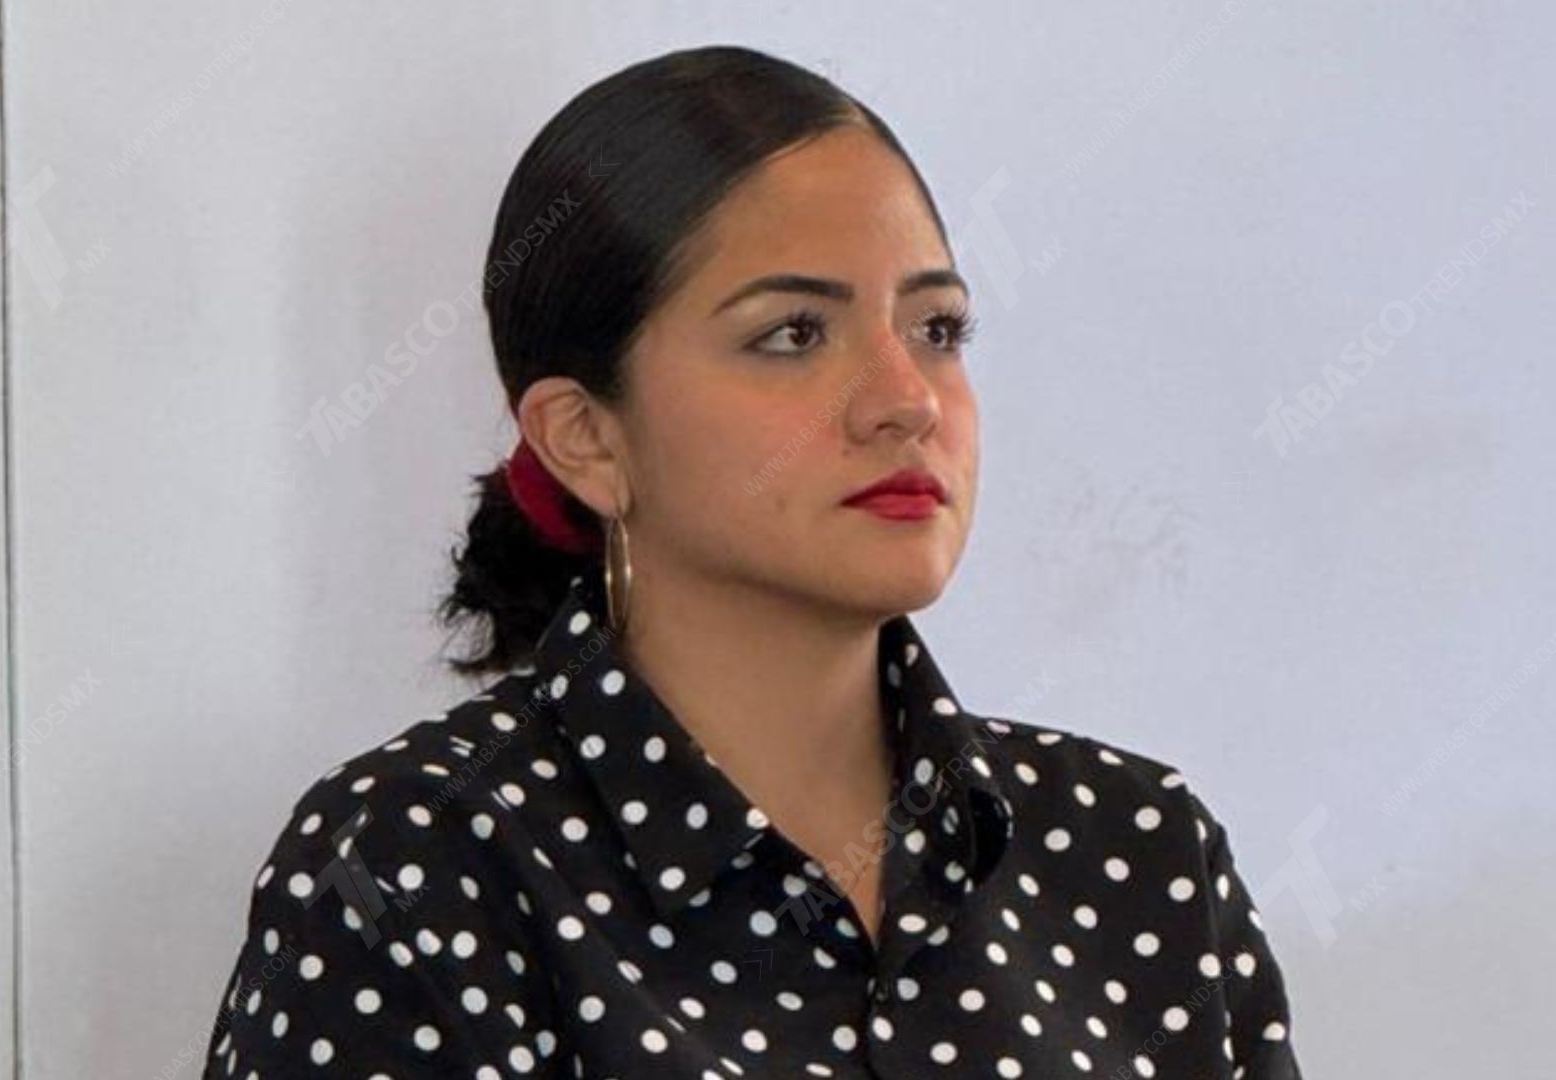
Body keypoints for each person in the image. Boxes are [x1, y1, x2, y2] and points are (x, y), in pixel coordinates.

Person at [200, 43, 1303, 1079]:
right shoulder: (420, 865)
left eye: (936, 329)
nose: (907, 401)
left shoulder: (1141, 849)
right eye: (793, 334)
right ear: (586, 438)